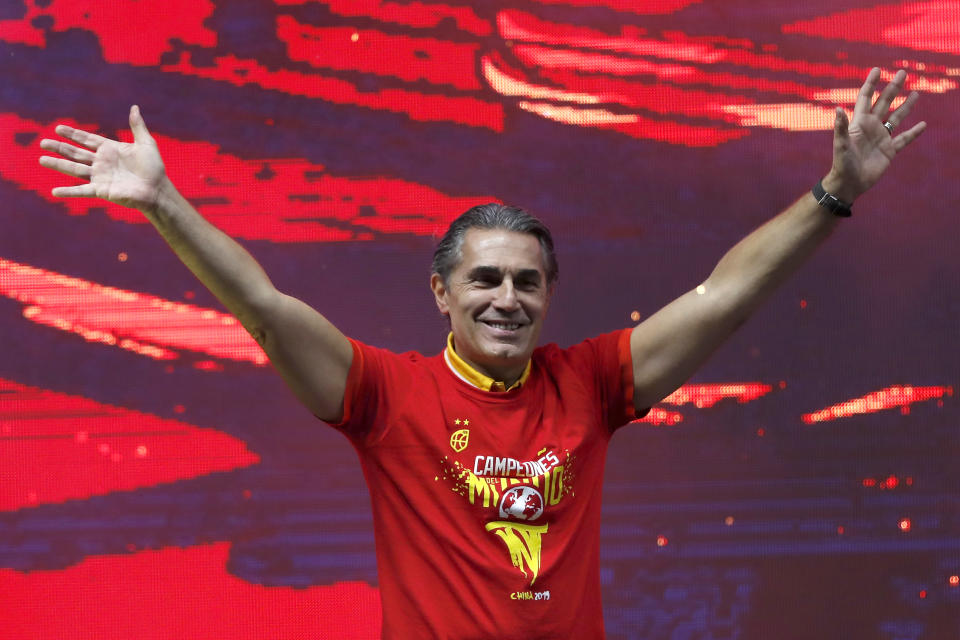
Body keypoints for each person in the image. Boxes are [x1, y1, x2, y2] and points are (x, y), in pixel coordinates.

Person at [39, 68, 924, 639]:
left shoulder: (593, 382)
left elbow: (724, 299)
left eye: (528, 283)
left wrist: (833, 193)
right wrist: (164, 203)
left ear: (548, 296)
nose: (508, 299)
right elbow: (265, 310)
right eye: (486, 280)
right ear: (442, 293)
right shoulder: (386, 395)